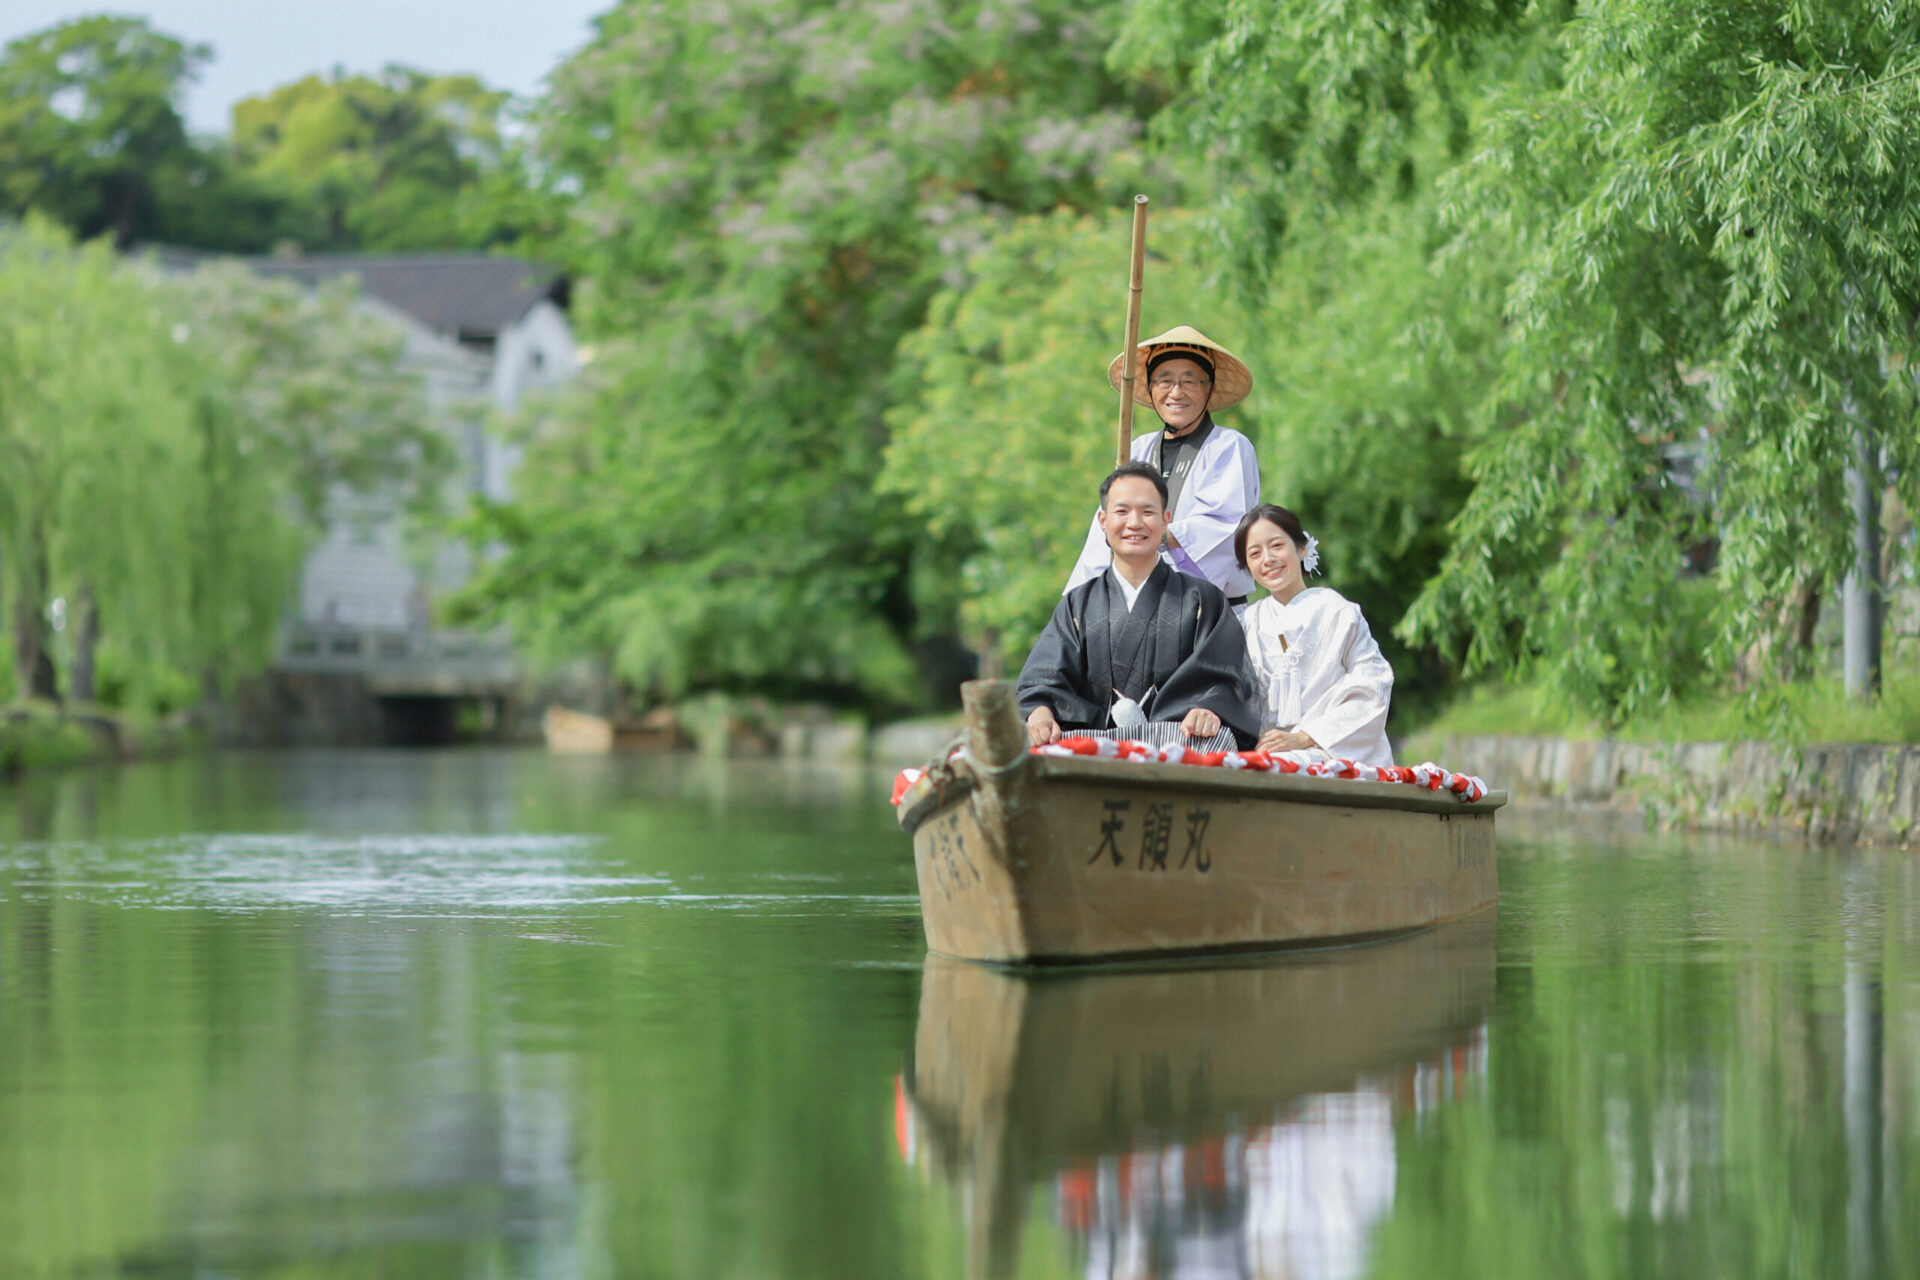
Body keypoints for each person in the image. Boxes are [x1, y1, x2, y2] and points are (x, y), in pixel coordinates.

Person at [1019, 462, 1261, 751]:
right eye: (1121, 511)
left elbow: (1228, 679)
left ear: (1166, 519)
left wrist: (1209, 709)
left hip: (1178, 747)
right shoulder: (1077, 604)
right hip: (1094, 751)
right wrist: (1041, 712)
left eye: (1147, 512)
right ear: (1102, 520)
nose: (1134, 523)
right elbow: (1042, 680)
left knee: (1213, 742)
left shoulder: (1202, 598)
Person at [1064, 325, 1261, 605]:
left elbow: (1223, 527)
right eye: (1165, 381)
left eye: (1189, 381)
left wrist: (1148, 535)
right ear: (1151, 387)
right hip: (1137, 610)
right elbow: (1106, 532)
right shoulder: (1137, 450)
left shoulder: (1228, 446)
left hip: (1208, 610)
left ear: (1210, 388)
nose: (1176, 392)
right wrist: (1081, 604)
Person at [1235, 504, 1396, 766]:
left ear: (1301, 548)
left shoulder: (1339, 612)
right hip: (1267, 755)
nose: (1268, 559)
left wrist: (1305, 737)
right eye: (1255, 553)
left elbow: (1373, 685)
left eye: (1276, 546)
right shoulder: (1246, 624)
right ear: (1246, 565)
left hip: (1334, 751)